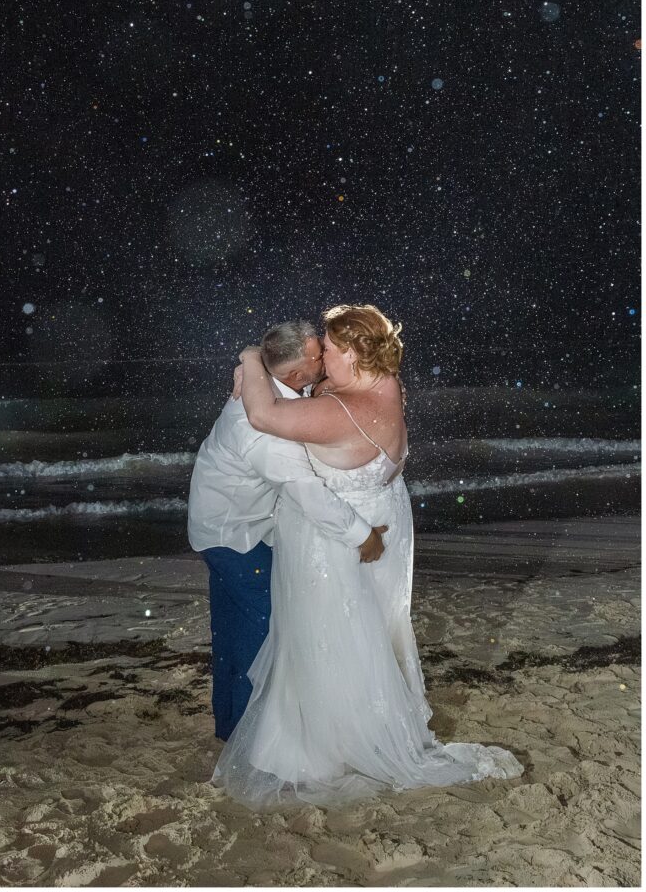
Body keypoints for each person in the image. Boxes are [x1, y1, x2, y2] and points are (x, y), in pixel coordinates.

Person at [212, 304, 524, 807]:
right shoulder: (385, 385)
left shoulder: (345, 411)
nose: (321, 360)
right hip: (387, 518)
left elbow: (263, 415)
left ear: (355, 353)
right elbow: (325, 389)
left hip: (335, 542)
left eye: (329, 351)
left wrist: (251, 358)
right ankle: (371, 724)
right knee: (370, 630)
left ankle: (328, 743)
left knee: (328, 635)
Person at [187, 319, 388, 742]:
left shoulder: (276, 389)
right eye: (320, 355)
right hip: (234, 536)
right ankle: (249, 736)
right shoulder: (264, 432)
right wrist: (362, 535)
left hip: (223, 526)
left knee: (231, 632)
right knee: (265, 633)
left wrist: (247, 355)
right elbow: (307, 493)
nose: (325, 358)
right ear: (295, 374)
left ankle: (229, 729)